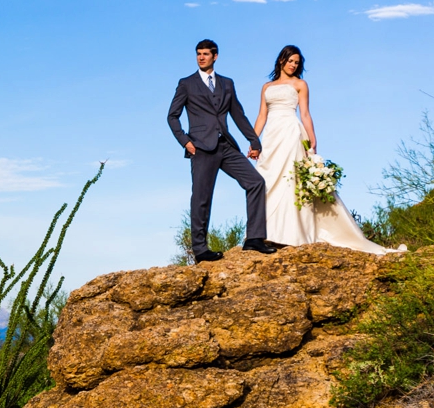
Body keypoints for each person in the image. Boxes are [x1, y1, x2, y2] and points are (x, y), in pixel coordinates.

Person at [251, 45, 402, 254]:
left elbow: (304, 114)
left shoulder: (300, 84)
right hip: (271, 136)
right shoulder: (266, 87)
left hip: (290, 133)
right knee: (266, 179)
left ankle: (291, 234)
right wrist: (253, 141)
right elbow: (261, 116)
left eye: (297, 62)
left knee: (290, 180)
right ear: (281, 60)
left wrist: (312, 140)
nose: (293, 65)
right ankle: (265, 232)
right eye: (290, 61)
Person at [168, 39, 274, 263]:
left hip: (225, 145)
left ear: (215, 56)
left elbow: (238, 114)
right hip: (201, 148)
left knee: (255, 182)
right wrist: (185, 141)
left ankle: (254, 238)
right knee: (201, 198)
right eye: (198, 54)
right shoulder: (186, 83)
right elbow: (172, 116)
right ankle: (200, 250)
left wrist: (254, 141)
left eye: (206, 54)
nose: (201, 57)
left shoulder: (227, 83)